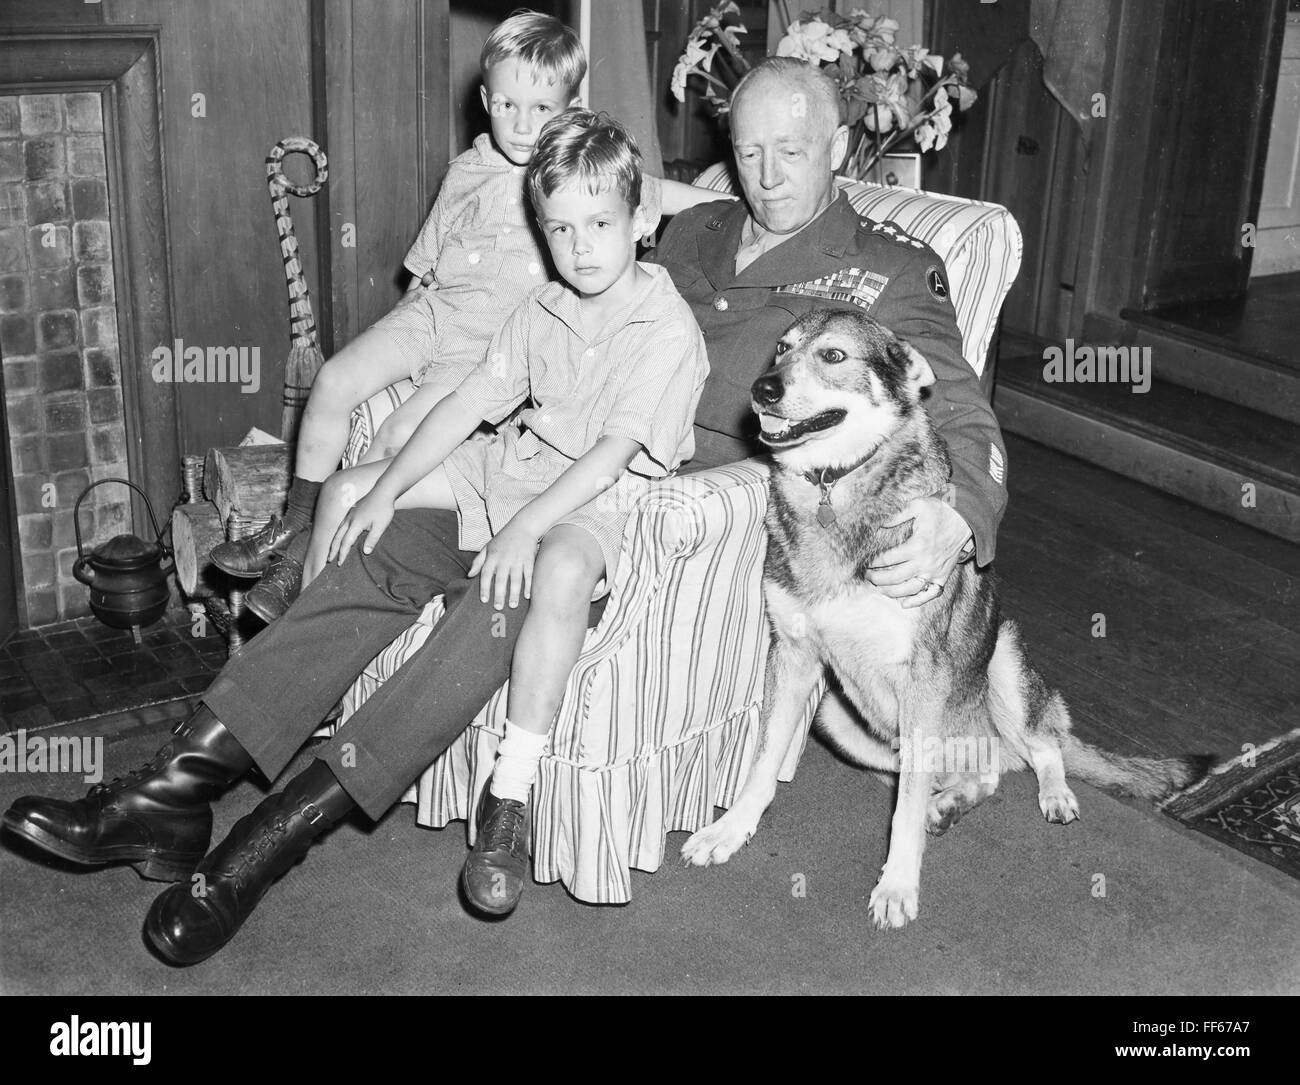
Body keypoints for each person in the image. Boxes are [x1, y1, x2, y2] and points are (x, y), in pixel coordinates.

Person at [1, 57, 1004, 965]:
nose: (767, 173)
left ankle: (264, 845)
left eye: (791, 150)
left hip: (653, 511)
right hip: (532, 465)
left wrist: (959, 511)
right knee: (381, 553)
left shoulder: (885, 268)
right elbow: (558, 248)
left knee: (505, 598)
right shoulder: (687, 222)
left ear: (836, 146)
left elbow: (953, 401)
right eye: (746, 151)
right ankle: (172, 792)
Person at [211, 9, 720, 622]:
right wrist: (399, 330)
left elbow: (666, 196)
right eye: (507, 105)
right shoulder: (466, 170)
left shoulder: (579, 176)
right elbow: (425, 269)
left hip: (482, 347)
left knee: (395, 435)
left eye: (542, 109)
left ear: (571, 106)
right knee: (333, 380)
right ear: (485, 100)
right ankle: (290, 529)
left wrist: (740, 203)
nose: (523, 125)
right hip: (434, 313)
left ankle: (320, 556)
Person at [326, 108, 707, 918]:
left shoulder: (665, 324)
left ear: (642, 222)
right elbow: (468, 402)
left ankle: (510, 794)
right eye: (560, 228)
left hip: (603, 498)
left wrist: (524, 527)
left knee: (563, 565)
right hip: (522, 469)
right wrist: (390, 485)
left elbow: (610, 457)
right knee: (358, 486)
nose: (580, 247)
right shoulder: (540, 310)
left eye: (600, 224)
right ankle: (319, 690)